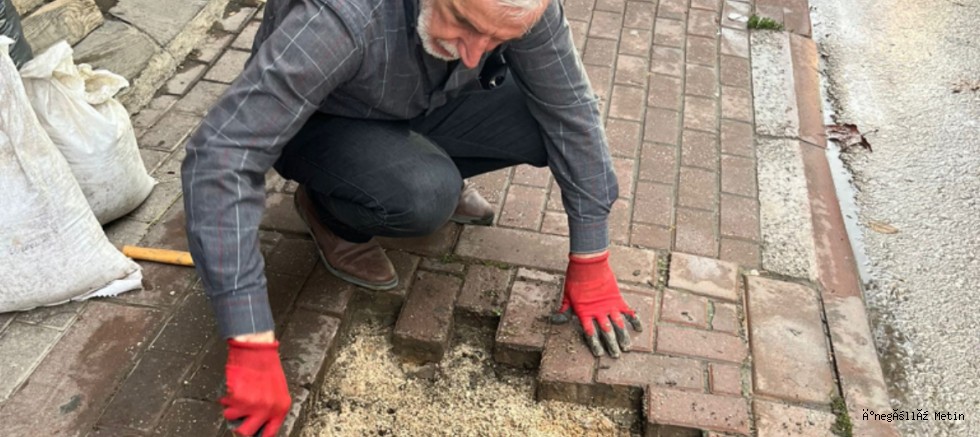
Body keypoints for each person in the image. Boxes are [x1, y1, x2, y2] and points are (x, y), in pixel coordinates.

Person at [181, 0, 644, 434]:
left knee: (545, 117)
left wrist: (591, 256)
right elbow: (223, 155)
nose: (474, 56)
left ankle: (420, 160)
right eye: (464, 23)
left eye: (496, 41)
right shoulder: (342, 19)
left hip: (422, 101)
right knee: (424, 196)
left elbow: (571, 111)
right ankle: (329, 211)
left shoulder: (518, 8)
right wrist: (250, 338)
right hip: (328, 120)